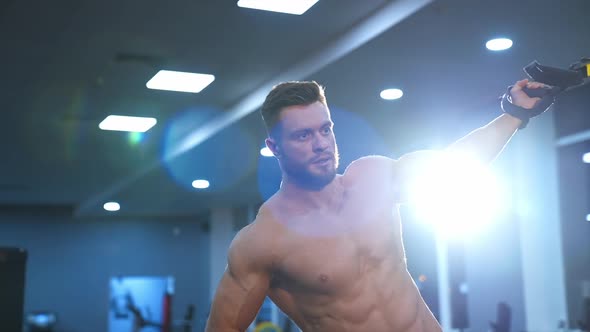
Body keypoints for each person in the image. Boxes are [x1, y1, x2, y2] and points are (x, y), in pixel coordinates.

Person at [205, 79, 553, 332]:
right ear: (274, 146)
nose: (321, 144)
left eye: (325, 130)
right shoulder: (264, 241)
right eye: (303, 135)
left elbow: (456, 161)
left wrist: (514, 114)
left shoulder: (373, 179)